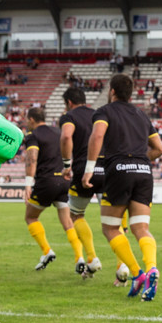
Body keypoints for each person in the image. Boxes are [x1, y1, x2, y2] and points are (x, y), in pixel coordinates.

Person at [83, 73, 162, 301]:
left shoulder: (104, 111)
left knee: (110, 228)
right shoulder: (141, 115)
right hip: (143, 171)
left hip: (119, 170)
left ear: (112, 91)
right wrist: (139, 159)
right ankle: (152, 268)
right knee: (141, 228)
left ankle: (138, 274)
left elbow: (98, 135)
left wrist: (90, 168)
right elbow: (159, 149)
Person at [22, 106, 85, 271]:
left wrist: (28, 183)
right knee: (67, 222)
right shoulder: (58, 132)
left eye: (27, 120)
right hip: (64, 181)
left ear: (32, 120)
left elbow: (32, 158)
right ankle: (79, 257)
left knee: (31, 217)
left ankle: (46, 250)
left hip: (46, 181)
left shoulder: (33, 136)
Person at [58, 87, 104, 278]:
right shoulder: (99, 115)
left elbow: (67, 136)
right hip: (106, 168)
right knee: (114, 218)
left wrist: (67, 164)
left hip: (83, 168)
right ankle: (122, 267)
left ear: (69, 102)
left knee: (76, 215)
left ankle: (92, 258)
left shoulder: (69, 116)